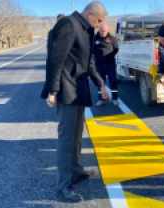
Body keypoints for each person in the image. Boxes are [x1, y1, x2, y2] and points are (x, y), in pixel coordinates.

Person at [41, 1, 111, 203]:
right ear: (90, 13)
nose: (99, 25)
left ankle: (76, 169)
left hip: (79, 89)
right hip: (66, 89)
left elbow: (88, 62)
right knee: (66, 138)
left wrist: (101, 84)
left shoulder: (86, 28)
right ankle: (64, 184)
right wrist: (53, 90)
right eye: (98, 20)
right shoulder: (69, 24)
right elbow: (55, 59)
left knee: (78, 134)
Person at [93, 23, 119, 106]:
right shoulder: (94, 38)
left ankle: (115, 99)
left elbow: (116, 49)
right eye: (101, 31)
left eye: (104, 31)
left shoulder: (112, 39)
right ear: (99, 30)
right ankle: (101, 99)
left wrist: (110, 57)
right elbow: (91, 49)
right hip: (99, 64)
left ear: (107, 30)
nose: (103, 32)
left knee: (113, 81)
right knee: (101, 82)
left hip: (110, 64)